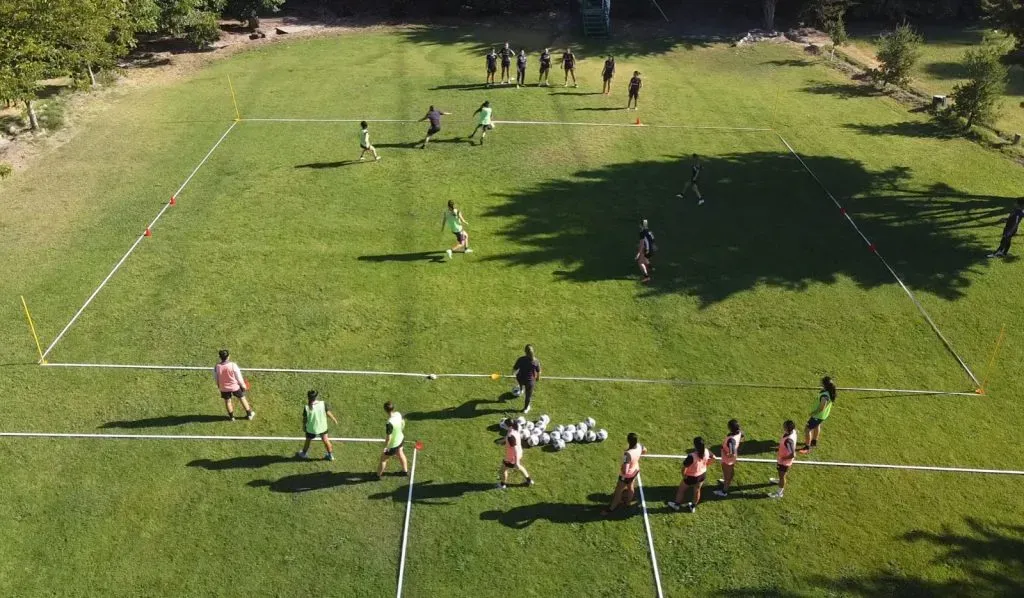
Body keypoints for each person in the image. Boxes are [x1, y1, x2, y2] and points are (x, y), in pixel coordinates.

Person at [667, 437, 716, 513]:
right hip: (702, 475)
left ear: (695, 445)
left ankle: (676, 505)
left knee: (681, 490)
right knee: (697, 490)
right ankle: (693, 506)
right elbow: (714, 458)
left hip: (691, 477)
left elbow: (684, 468)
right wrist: (707, 464)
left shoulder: (691, 456)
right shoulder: (706, 451)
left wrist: (684, 476)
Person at [604, 432, 647, 514]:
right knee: (630, 487)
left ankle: (611, 508)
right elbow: (645, 450)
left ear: (628, 441)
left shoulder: (627, 454)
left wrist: (622, 468)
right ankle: (628, 503)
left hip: (626, 476)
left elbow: (625, 470)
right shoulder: (639, 446)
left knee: (618, 491)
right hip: (635, 471)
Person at [296, 390, 339, 461]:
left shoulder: (306, 407)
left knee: (308, 440)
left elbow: (305, 419)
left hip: (311, 429)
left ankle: (304, 453)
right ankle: (330, 455)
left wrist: (304, 426)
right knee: (326, 440)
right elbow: (327, 412)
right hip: (322, 427)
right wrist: (334, 419)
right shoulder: (322, 403)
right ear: (316, 397)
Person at [213, 349, 254, 421]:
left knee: (227, 401)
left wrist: (219, 386)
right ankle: (249, 415)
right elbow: (239, 377)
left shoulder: (217, 366)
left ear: (220, 357)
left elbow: (216, 378)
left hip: (223, 388)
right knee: (242, 398)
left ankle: (232, 417)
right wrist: (243, 385)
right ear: (228, 356)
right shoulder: (233, 365)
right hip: (234, 387)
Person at [799, 376, 836, 454]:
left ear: (824, 384)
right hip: (823, 415)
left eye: (821, 381)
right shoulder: (828, 391)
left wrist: (813, 413)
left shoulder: (825, 396)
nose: (820, 382)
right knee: (817, 426)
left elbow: (821, 408)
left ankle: (807, 447)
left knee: (807, 429)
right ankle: (814, 442)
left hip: (818, 416)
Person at [498, 419, 534, 489]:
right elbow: (508, 438)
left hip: (511, 458)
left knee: (502, 470)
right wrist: (501, 441)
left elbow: (515, 450)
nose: (504, 426)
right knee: (519, 467)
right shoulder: (515, 430)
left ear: (510, 426)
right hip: (520, 453)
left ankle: (503, 484)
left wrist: (516, 462)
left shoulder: (510, 436)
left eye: (505, 425)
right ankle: (529, 480)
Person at [377, 401, 409, 478]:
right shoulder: (398, 414)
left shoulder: (389, 423)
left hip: (392, 445)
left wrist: (385, 447)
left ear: (385, 410)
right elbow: (403, 423)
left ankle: (377, 476)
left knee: (383, 459)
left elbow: (389, 438)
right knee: (400, 453)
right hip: (401, 439)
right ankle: (405, 472)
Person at [769, 420, 798, 499]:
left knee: (782, 476)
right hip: (783, 459)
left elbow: (793, 455)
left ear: (787, 428)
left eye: (784, 426)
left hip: (784, 462)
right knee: (781, 474)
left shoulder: (789, 441)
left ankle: (779, 493)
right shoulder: (793, 432)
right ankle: (779, 480)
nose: (783, 427)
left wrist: (783, 458)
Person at [714, 419, 743, 497]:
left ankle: (724, 491)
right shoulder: (739, 432)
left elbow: (732, 454)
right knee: (729, 472)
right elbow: (742, 437)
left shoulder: (731, 440)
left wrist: (724, 453)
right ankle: (726, 481)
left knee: (727, 474)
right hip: (730, 459)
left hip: (728, 460)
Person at [511, 344, 542, 414]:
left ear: (525, 351)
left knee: (521, 384)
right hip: (530, 382)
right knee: (528, 396)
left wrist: (512, 374)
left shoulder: (521, 359)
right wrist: (538, 378)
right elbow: (539, 371)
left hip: (520, 378)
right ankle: (525, 408)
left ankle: (521, 389)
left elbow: (514, 368)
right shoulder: (536, 361)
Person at [635, 219, 655, 283]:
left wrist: (638, 254)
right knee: (646, 258)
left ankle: (646, 277)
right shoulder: (650, 231)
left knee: (640, 262)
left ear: (641, 225)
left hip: (647, 250)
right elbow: (652, 240)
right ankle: (651, 268)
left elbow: (641, 245)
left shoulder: (642, 232)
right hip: (652, 249)